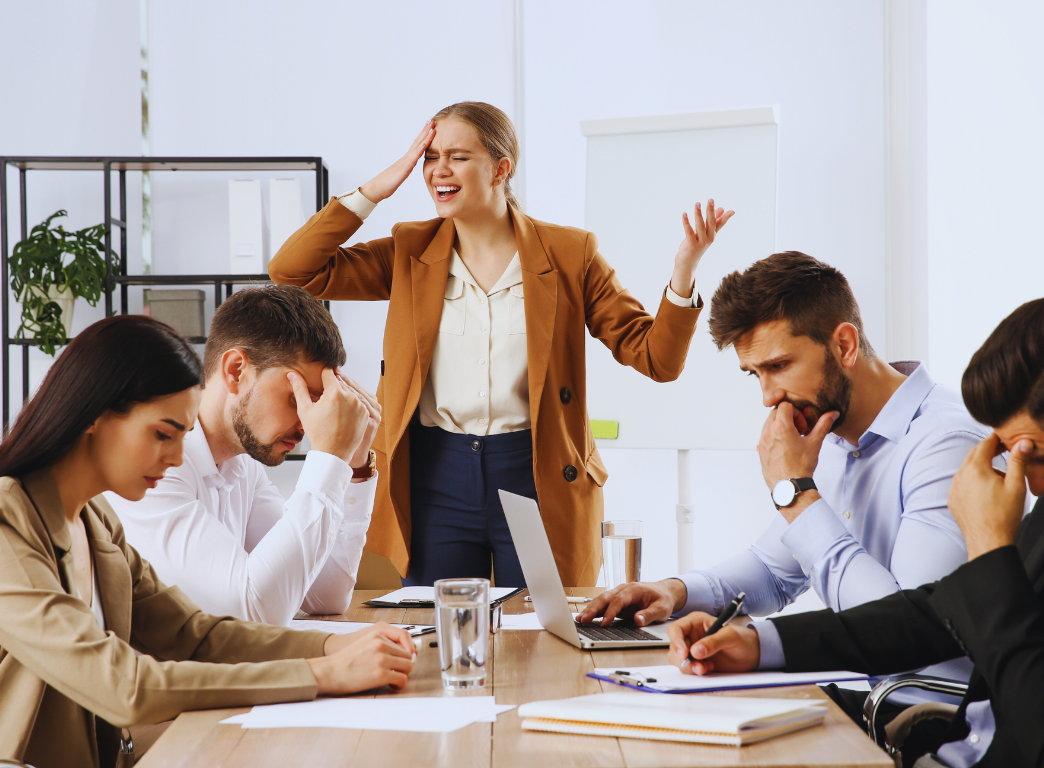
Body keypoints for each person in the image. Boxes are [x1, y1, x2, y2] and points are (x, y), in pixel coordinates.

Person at [666, 293, 1044, 766]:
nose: (1029, 482)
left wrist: (991, 548)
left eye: (1037, 455)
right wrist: (758, 643)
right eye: (1014, 451)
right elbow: (937, 611)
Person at [0, 315, 415, 768]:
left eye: (183, 436)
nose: (178, 458)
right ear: (95, 415)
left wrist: (331, 645)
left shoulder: (94, 521)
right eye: (163, 434)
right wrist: (319, 674)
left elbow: (195, 636)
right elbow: (124, 685)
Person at [269, 101, 733, 587]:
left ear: (500, 168)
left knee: (543, 634)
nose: (437, 171)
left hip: (536, 472)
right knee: (440, 636)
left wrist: (683, 274)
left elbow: (656, 358)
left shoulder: (570, 254)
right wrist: (379, 187)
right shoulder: (410, 251)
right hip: (435, 476)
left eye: (457, 156)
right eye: (430, 157)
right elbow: (293, 270)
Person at [577, 252, 985, 691]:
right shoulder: (828, 433)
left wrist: (796, 493)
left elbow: (907, 632)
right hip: (873, 704)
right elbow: (774, 571)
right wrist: (674, 591)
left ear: (844, 345)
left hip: (933, 723)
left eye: (779, 366)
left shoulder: (946, 444)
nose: (769, 398)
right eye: (755, 374)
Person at [105, 285, 381, 624]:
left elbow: (326, 594)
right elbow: (254, 611)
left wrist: (354, 466)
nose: (308, 426)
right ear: (236, 371)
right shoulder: (156, 466)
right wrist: (329, 458)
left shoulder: (242, 468)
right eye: (297, 399)